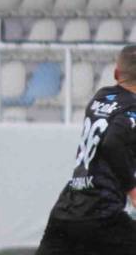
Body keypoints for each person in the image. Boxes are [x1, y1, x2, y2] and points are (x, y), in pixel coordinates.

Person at [36, 44, 136, 255]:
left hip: (68, 207)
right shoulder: (132, 108)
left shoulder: (100, 97)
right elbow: (113, 142)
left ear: (116, 73)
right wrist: (131, 188)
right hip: (102, 213)